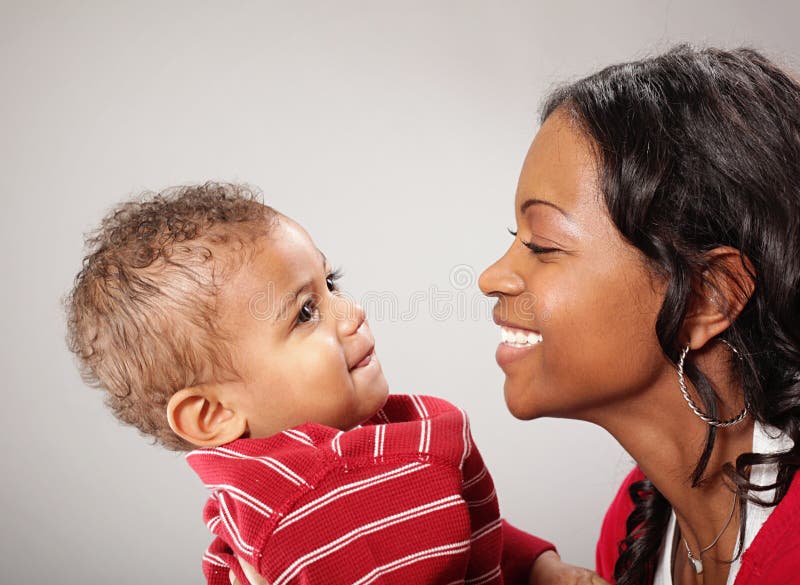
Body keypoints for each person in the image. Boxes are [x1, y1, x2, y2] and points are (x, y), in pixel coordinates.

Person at [63, 183, 554, 584]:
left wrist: (535, 566)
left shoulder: (356, 459)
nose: (351, 313)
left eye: (331, 283)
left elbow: (457, 528)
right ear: (213, 415)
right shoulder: (312, 508)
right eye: (304, 313)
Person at [481, 45, 800, 585]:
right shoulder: (633, 528)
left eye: (542, 245)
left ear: (709, 296)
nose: (492, 277)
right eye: (516, 238)